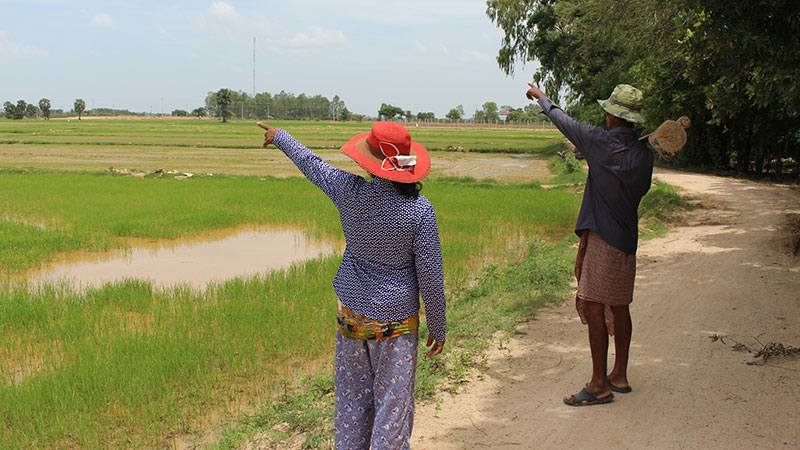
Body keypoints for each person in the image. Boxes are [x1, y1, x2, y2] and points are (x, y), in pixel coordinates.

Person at [257, 121, 446, 449]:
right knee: (392, 407)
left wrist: (280, 137)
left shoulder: (348, 191)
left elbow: (312, 164)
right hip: (397, 325)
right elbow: (431, 277)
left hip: (351, 315)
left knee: (352, 401)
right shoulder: (419, 211)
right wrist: (438, 326)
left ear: (370, 162)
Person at [525, 83, 653, 406]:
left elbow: (566, 123)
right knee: (620, 305)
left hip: (603, 239)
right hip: (627, 241)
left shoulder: (601, 142)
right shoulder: (643, 154)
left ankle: (599, 384)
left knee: (594, 306)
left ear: (612, 115)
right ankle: (619, 375)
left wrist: (543, 99)